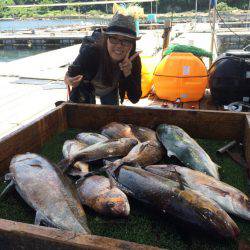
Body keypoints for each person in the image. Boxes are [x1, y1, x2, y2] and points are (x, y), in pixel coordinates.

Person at [64, 13, 142, 105]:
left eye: (126, 40)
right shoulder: (91, 51)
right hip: (87, 87)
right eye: (114, 38)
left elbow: (135, 98)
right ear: (106, 39)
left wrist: (128, 73)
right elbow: (69, 75)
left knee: (112, 116)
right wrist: (69, 80)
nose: (119, 45)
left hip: (110, 90)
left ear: (132, 45)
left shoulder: (133, 60)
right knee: (84, 116)